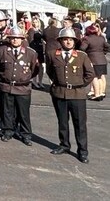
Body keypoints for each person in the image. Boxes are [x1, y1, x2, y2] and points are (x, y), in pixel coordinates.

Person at [46, 28, 95, 163]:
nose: (68, 42)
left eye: (71, 40)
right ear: (60, 41)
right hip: (59, 93)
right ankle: (64, 145)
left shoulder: (81, 56)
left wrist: (78, 85)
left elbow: (90, 74)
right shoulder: (52, 55)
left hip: (77, 94)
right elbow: (50, 71)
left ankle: (82, 151)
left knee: (80, 124)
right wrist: (59, 83)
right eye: (65, 39)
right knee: (62, 122)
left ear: (74, 41)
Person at [0, 26, 39, 146]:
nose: (15, 40)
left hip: (23, 87)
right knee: (7, 111)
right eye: (12, 38)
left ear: (22, 39)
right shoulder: (1, 51)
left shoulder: (30, 53)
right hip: (7, 86)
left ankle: (26, 134)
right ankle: (7, 131)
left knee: (23, 113)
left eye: (18, 38)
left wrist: (24, 79)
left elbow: (34, 70)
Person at [79, 24, 109, 101]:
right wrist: (103, 52)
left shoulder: (87, 39)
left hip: (93, 60)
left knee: (94, 77)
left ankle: (97, 94)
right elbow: (108, 46)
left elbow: (82, 48)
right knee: (101, 76)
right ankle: (102, 92)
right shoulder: (101, 38)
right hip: (102, 59)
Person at [27, 17, 45, 89]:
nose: (35, 23)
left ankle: (40, 81)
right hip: (35, 49)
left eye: (36, 22)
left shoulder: (40, 30)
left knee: (41, 66)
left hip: (40, 49)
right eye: (33, 22)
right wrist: (33, 51)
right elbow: (30, 41)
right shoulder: (31, 30)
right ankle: (34, 81)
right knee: (36, 65)